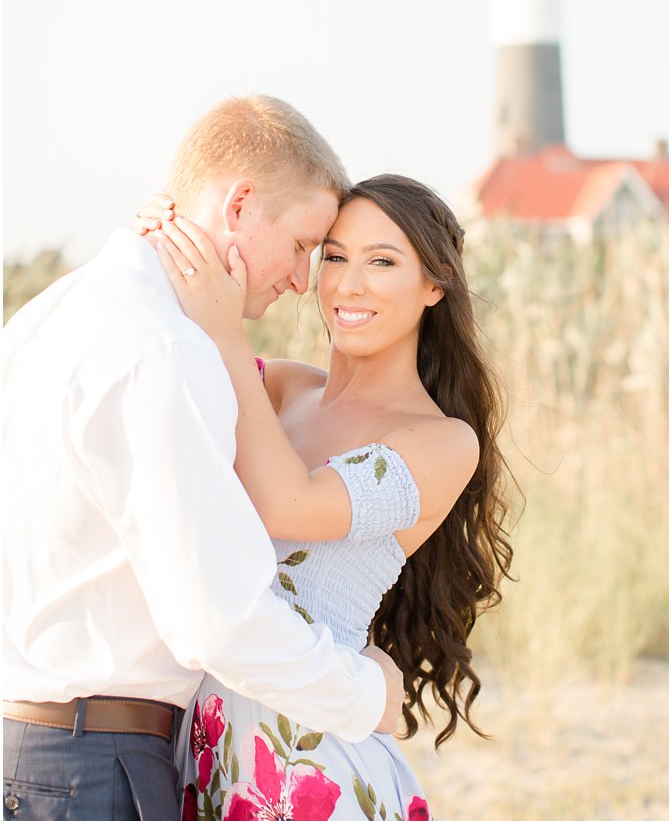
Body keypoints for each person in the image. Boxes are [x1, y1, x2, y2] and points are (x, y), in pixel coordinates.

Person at [2, 96, 402, 821]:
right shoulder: (164, 347)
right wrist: (368, 694)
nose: (301, 277)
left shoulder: (45, 317)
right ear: (241, 204)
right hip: (94, 766)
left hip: (31, 746)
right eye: (305, 242)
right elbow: (218, 619)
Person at [140, 173, 514, 820]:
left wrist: (230, 335)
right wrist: (168, 240)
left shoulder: (442, 441)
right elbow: (164, 383)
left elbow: (291, 504)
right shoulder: (279, 388)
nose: (348, 282)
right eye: (334, 256)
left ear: (435, 284)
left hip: (313, 771)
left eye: (382, 261)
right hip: (201, 751)